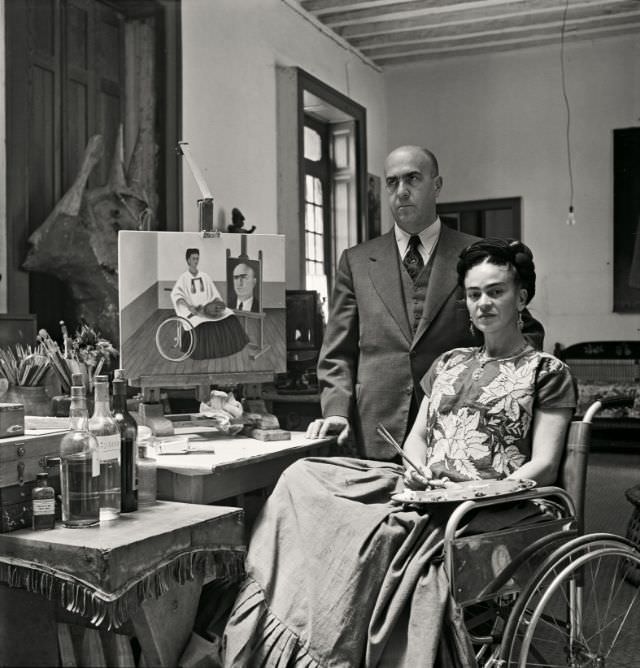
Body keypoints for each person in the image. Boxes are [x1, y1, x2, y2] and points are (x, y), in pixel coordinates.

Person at [221, 238, 576, 667]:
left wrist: (479, 490)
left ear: (521, 296)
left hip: (496, 504)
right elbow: (419, 437)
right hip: (429, 491)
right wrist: (418, 472)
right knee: (303, 475)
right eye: (473, 293)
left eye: (496, 291)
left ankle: (341, 642)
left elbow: (544, 464)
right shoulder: (449, 363)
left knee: (376, 536)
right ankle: (289, 622)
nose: (483, 303)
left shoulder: (545, 371)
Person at [308, 146, 544, 459]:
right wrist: (336, 411)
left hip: (459, 430)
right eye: (392, 182)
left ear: (436, 185)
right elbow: (337, 351)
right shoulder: (356, 261)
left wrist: (495, 394)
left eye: (413, 179)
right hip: (376, 427)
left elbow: (523, 332)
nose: (401, 191)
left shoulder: (477, 254)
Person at [170, 248, 248, 359]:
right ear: (188, 260)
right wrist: (189, 306)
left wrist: (216, 303)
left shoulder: (205, 276)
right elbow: (177, 295)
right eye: (193, 258)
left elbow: (214, 294)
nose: (196, 261)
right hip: (194, 311)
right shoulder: (183, 278)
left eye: (197, 258)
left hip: (207, 307)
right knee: (201, 322)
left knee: (229, 315)